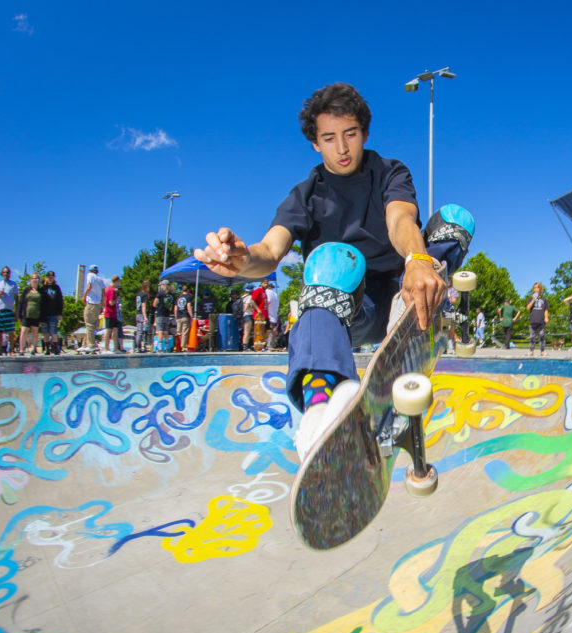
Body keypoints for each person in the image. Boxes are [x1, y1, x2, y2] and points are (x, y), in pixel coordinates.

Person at [194, 82, 473, 457]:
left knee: (456, 220)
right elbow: (270, 250)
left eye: (350, 134)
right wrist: (243, 260)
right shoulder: (306, 195)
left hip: (403, 292)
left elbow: (400, 219)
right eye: (329, 138)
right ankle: (322, 407)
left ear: (365, 134)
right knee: (333, 259)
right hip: (349, 310)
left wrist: (418, 261)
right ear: (315, 143)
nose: (342, 148)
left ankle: (416, 318)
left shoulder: (389, 172)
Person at [0, 266, 18, 356]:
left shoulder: (13, 284)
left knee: (10, 331)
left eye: (8, 272)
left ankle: (11, 350)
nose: (6, 274)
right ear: (2, 274)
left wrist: (16, 311)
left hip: (9, 310)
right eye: (4, 272)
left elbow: (16, 299)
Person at [82, 265, 107, 351]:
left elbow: (89, 287)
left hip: (91, 303)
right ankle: (85, 344)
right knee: (92, 325)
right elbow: (103, 292)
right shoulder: (100, 279)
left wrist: (84, 296)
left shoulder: (90, 275)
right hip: (98, 304)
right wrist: (102, 305)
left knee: (89, 325)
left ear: (90, 270)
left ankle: (91, 345)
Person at [17, 273, 43, 355]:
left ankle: (33, 349)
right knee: (24, 331)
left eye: (37, 278)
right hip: (26, 314)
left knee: (35, 331)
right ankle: (21, 349)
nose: (35, 280)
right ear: (30, 280)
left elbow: (44, 303)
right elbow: (21, 302)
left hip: (36, 314)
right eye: (33, 278)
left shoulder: (41, 291)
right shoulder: (26, 290)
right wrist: (18, 314)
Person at [39, 271, 64, 354]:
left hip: (54, 313)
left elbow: (60, 301)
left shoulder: (56, 288)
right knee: (45, 332)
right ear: (46, 278)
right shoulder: (42, 289)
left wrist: (60, 313)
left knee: (54, 331)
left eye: (52, 277)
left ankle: (55, 348)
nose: (50, 279)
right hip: (44, 313)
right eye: (49, 277)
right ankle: (47, 349)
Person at [103, 275, 124, 353]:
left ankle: (115, 348)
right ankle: (106, 348)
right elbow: (111, 303)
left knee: (115, 330)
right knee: (108, 330)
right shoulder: (110, 290)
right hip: (109, 313)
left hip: (113, 313)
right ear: (116, 281)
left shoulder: (111, 289)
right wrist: (116, 300)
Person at [526, 282, 549, 356]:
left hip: (541, 321)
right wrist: (533, 300)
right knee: (532, 337)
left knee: (541, 336)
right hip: (533, 321)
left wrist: (546, 317)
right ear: (533, 289)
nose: (536, 289)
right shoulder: (530, 299)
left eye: (538, 287)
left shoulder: (544, 299)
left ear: (540, 289)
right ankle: (531, 351)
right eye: (535, 288)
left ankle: (542, 351)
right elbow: (527, 308)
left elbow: (546, 309)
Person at [153, 280, 175, 352]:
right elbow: (170, 307)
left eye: (161, 285)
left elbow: (154, 304)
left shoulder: (160, 294)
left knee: (160, 330)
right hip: (167, 315)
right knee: (166, 331)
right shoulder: (171, 295)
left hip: (160, 314)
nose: (160, 286)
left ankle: (159, 348)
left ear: (164, 285)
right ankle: (166, 347)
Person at [174, 283, 193, 351]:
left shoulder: (178, 298)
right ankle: (183, 346)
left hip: (179, 316)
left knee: (179, 332)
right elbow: (188, 306)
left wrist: (176, 317)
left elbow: (175, 308)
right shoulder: (188, 297)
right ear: (187, 290)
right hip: (185, 316)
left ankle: (178, 346)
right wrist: (191, 315)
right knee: (185, 332)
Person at [135, 280, 151, 353]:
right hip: (141, 314)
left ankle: (137, 347)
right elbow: (143, 306)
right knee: (142, 332)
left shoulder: (138, 294)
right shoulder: (144, 295)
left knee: (139, 331)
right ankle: (140, 347)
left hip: (137, 313)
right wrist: (145, 316)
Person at [264, 280, 280, 350]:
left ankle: (268, 345)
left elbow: (268, 301)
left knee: (268, 331)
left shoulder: (267, 292)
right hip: (274, 315)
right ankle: (272, 345)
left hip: (269, 314)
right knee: (273, 330)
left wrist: (264, 308)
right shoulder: (275, 294)